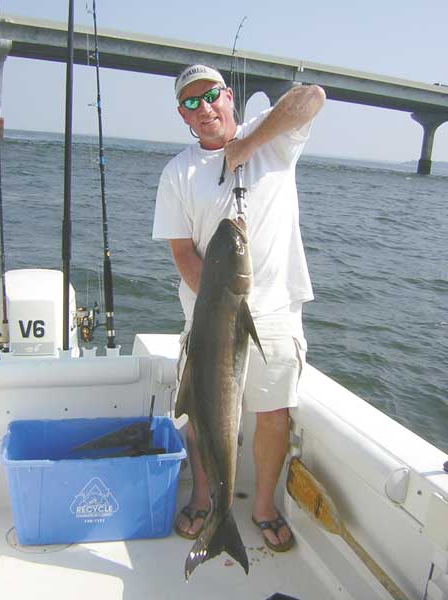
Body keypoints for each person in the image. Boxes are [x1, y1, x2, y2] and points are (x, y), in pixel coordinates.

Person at [152, 64, 325, 552]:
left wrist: (246, 145)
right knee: (201, 414)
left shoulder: (272, 138)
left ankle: (263, 506)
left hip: (274, 313)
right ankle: (207, 500)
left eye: (210, 96)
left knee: (272, 415)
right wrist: (216, 301)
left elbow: (312, 95)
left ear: (230, 96)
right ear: (183, 117)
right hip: (207, 318)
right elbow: (184, 252)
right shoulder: (178, 173)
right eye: (191, 103)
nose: (204, 109)